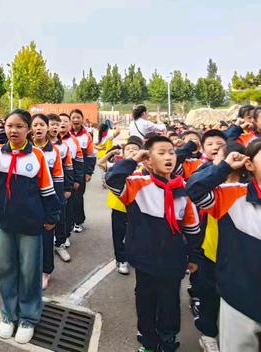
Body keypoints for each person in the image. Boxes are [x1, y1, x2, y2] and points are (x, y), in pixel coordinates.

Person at [0, 109, 60, 345]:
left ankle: (28, 317)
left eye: (19, 126)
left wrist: (52, 217)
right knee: (5, 270)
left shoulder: (37, 156)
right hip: (4, 222)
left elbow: (48, 190)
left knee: (29, 272)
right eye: (9, 126)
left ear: (28, 129)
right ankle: (9, 314)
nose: (13, 130)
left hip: (30, 224)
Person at [105, 136, 201, 352]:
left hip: (173, 259)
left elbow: (192, 227)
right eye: (161, 152)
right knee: (146, 301)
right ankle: (148, 341)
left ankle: (168, 341)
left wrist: (194, 257)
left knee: (169, 302)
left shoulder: (182, 189)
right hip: (144, 258)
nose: (168, 157)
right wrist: (135, 158)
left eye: (171, 152)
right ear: (148, 160)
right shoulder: (137, 183)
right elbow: (112, 179)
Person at [187, 141, 261, 352]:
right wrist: (224, 167)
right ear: (249, 165)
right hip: (240, 299)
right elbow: (193, 189)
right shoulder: (232, 194)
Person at [97, 136, 143, 276]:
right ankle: (121, 260)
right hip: (119, 206)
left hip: (137, 207)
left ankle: (133, 256)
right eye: (128, 149)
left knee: (136, 233)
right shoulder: (117, 164)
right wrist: (111, 153)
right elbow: (100, 163)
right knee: (119, 234)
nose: (131, 151)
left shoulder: (143, 166)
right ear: (123, 152)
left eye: (135, 149)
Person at [31, 113, 64, 290]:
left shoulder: (54, 152)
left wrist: (54, 211)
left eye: (42, 125)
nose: (38, 128)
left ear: (47, 128)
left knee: (46, 237)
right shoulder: (24, 149)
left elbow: (58, 181)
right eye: (34, 125)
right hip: (28, 202)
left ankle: (46, 271)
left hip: (46, 202)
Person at [47, 114, 73, 262]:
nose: (55, 127)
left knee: (60, 215)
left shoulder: (64, 147)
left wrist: (67, 187)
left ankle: (60, 244)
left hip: (59, 186)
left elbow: (68, 167)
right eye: (52, 124)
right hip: (40, 189)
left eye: (57, 124)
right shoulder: (35, 145)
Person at [59, 113, 84, 245]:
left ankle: (65, 234)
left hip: (67, 180)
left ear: (69, 124)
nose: (62, 124)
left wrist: (76, 180)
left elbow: (79, 162)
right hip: (51, 182)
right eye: (59, 121)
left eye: (65, 121)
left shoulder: (74, 141)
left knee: (67, 209)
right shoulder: (49, 141)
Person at [69, 109, 96, 233]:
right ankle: (67, 222)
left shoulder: (87, 135)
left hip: (81, 171)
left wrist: (89, 172)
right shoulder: (64, 135)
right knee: (67, 197)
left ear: (82, 119)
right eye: (73, 117)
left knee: (78, 197)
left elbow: (90, 155)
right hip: (67, 171)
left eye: (78, 117)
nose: (75, 120)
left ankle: (78, 222)